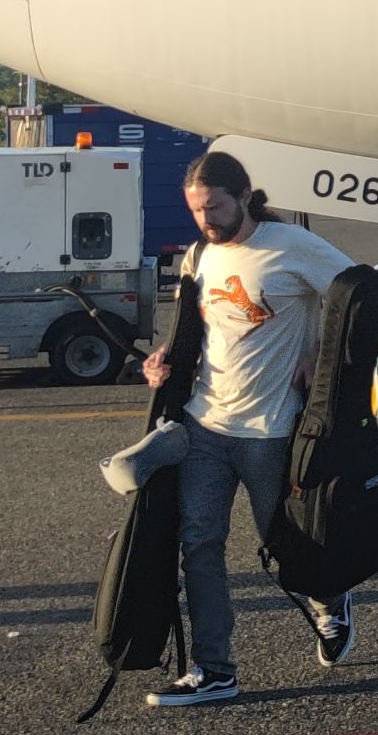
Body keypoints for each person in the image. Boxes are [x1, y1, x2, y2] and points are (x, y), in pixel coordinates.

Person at [134, 153, 356, 706]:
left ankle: (329, 601)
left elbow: (364, 292)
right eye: (196, 210)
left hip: (270, 429)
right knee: (199, 545)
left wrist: (320, 350)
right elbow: (194, 329)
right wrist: (163, 358)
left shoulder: (290, 246)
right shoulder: (200, 254)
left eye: (214, 206)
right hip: (204, 424)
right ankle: (216, 669)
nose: (206, 219)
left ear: (243, 196)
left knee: (286, 548)